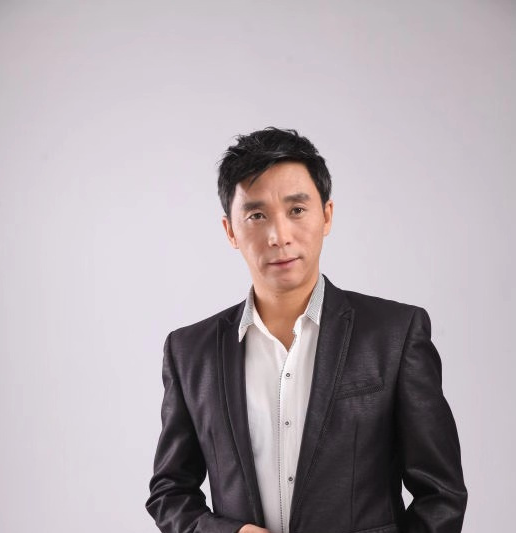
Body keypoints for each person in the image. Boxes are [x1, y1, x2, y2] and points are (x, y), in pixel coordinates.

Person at [145, 127, 467, 533]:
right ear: (230, 231)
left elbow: (441, 494)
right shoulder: (190, 352)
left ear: (326, 215)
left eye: (296, 210)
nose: (279, 236)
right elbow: (170, 492)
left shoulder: (394, 335)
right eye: (257, 215)